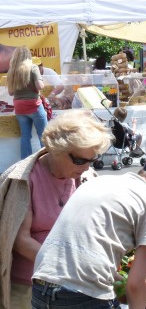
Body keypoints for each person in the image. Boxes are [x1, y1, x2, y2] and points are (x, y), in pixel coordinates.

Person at [31, 151, 146, 309]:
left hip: (41, 287)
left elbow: (82, 252)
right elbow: (136, 284)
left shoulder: (98, 182)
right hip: (82, 295)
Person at [0, 109, 112, 309]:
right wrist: (70, 264)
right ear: (56, 150)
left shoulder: (87, 177)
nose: (86, 167)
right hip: (29, 285)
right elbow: (20, 241)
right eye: (80, 160)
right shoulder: (24, 178)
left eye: (92, 160)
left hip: (73, 286)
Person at [7, 47, 49, 159]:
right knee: (43, 135)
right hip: (34, 105)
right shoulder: (33, 67)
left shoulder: (12, 72)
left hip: (19, 107)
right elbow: (40, 86)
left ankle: (25, 162)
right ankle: (45, 160)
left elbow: (11, 92)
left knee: (25, 136)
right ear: (28, 56)